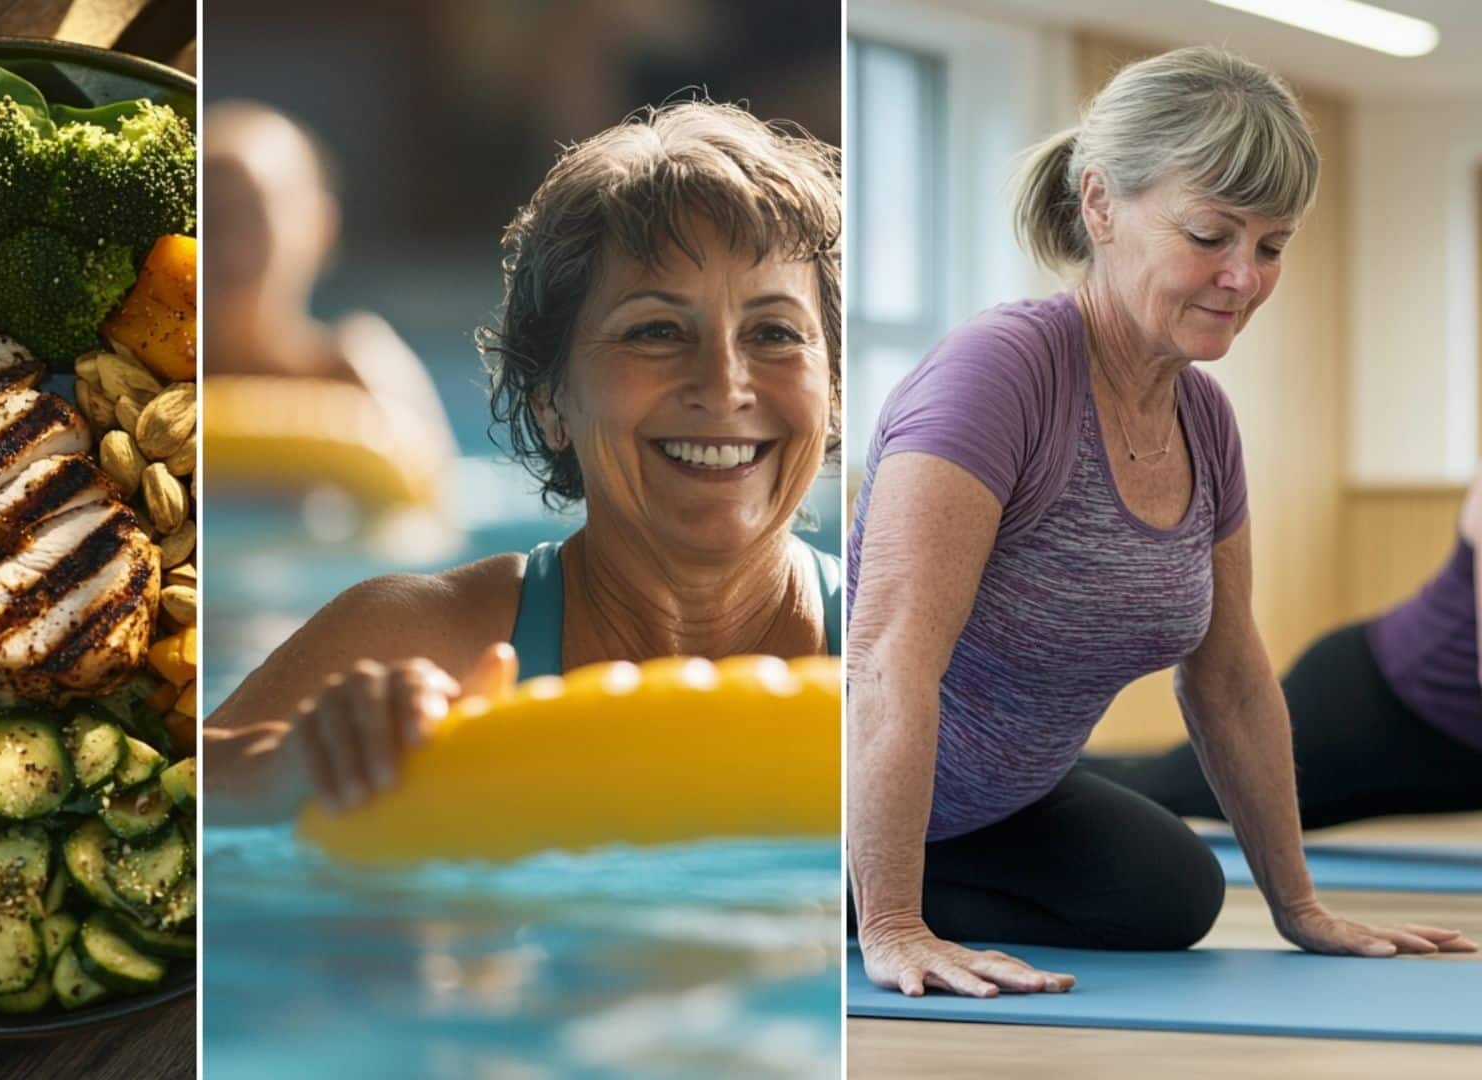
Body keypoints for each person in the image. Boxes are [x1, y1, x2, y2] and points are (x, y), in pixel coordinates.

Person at [846, 46, 1474, 1000]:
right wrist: (895, 927)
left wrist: (1302, 908)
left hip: (998, 803)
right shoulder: (998, 378)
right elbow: (888, 660)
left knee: (1168, 893)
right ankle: (839, 891)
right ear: (1100, 205)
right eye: (1211, 235)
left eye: (1271, 246)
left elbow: (1228, 676)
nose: (1244, 277)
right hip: (827, 786)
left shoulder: (1202, 419)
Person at [204, 100, 842, 822]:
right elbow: (170, 790)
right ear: (549, 398)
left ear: (835, 387)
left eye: (775, 333)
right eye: (656, 330)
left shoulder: (910, 649)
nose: (725, 385)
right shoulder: (414, 645)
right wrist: (292, 763)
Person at [1090, 474, 1482, 825]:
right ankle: (1037, 780)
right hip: (1370, 704)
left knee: (1162, 784)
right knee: (1158, 793)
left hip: (1452, 752)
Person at [201, 101, 458, 467]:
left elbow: (433, 496)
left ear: (318, 229)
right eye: (209, 217)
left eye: (249, 217)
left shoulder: (356, 368)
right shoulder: (151, 380)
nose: (226, 247)